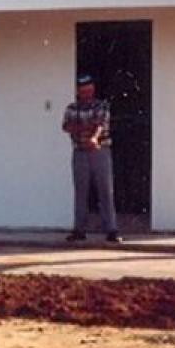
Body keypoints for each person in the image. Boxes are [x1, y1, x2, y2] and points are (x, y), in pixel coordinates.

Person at [62, 74, 122, 243]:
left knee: (105, 190)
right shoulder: (72, 107)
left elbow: (100, 125)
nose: (86, 93)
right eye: (83, 90)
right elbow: (66, 126)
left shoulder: (101, 105)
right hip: (79, 151)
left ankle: (112, 230)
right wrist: (87, 127)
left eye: (89, 89)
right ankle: (79, 229)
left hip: (100, 151)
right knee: (81, 191)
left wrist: (92, 136)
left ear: (93, 89)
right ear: (78, 91)